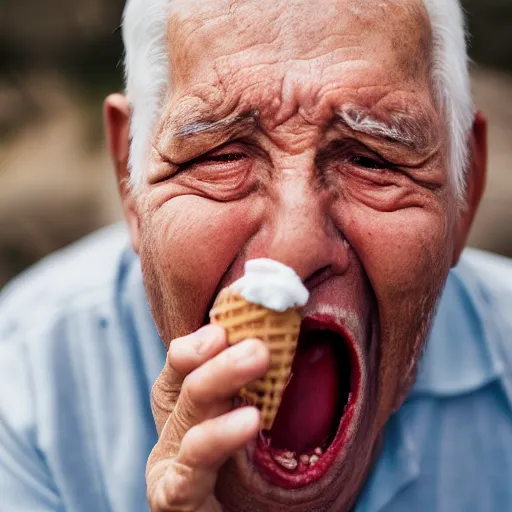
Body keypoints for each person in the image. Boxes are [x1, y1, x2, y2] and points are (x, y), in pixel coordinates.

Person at [1, 0, 512, 510]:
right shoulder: (24, 396)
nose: (292, 252)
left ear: (465, 192)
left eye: (369, 158)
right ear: (128, 180)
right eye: (221, 156)